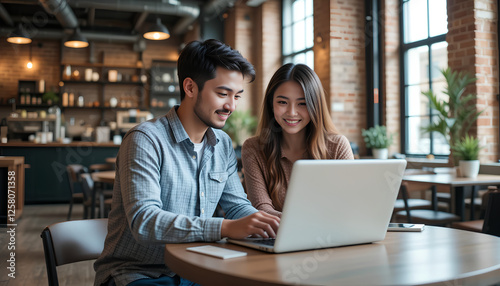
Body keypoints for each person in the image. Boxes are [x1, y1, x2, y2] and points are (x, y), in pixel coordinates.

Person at [94, 39, 280, 286]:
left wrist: (273, 223)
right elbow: (145, 222)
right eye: (222, 94)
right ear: (190, 88)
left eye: (237, 96)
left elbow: (237, 207)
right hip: (138, 274)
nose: (231, 106)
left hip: (197, 268)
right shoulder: (145, 140)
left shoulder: (222, 144)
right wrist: (225, 228)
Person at [241, 63, 354, 217]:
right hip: (276, 237)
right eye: (282, 102)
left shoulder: (337, 146)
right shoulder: (254, 148)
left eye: (302, 103)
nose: (292, 112)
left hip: (331, 238)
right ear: (271, 104)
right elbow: (262, 210)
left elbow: (347, 205)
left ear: (315, 106)